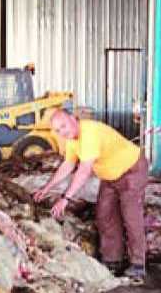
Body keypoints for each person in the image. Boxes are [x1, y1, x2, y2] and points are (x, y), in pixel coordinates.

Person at [33, 110, 149, 281]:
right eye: (57, 130)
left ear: (73, 119)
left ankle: (138, 265)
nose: (62, 132)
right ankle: (112, 260)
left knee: (131, 217)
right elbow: (68, 164)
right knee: (105, 215)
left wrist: (65, 199)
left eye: (63, 126)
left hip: (131, 169)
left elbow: (84, 170)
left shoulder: (89, 133)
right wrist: (47, 188)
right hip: (109, 175)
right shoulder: (72, 140)